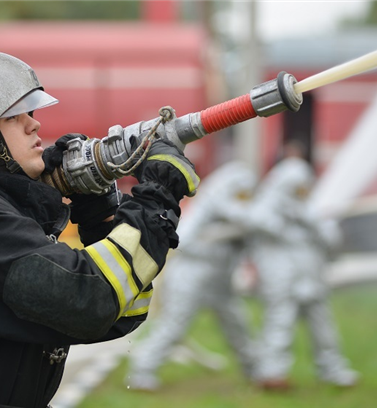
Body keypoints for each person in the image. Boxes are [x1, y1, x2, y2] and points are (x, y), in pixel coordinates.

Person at [0, 50, 199, 408]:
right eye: (13, 117)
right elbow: (89, 300)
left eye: (30, 114)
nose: (34, 125)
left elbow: (119, 310)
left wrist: (99, 218)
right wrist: (156, 199)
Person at [127, 161, 259, 391]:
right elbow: (184, 241)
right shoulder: (212, 203)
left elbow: (250, 225)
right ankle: (142, 371)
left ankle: (255, 370)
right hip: (192, 274)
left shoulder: (239, 210)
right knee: (174, 325)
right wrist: (225, 234)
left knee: (237, 323)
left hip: (220, 280)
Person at [244, 141, 359, 390]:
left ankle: (332, 368)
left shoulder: (313, 210)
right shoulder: (266, 210)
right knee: (279, 325)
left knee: (323, 329)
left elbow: (332, 239)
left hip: (312, 279)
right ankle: (272, 372)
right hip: (283, 281)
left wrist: (309, 220)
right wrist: (282, 221)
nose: (297, 193)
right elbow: (256, 224)